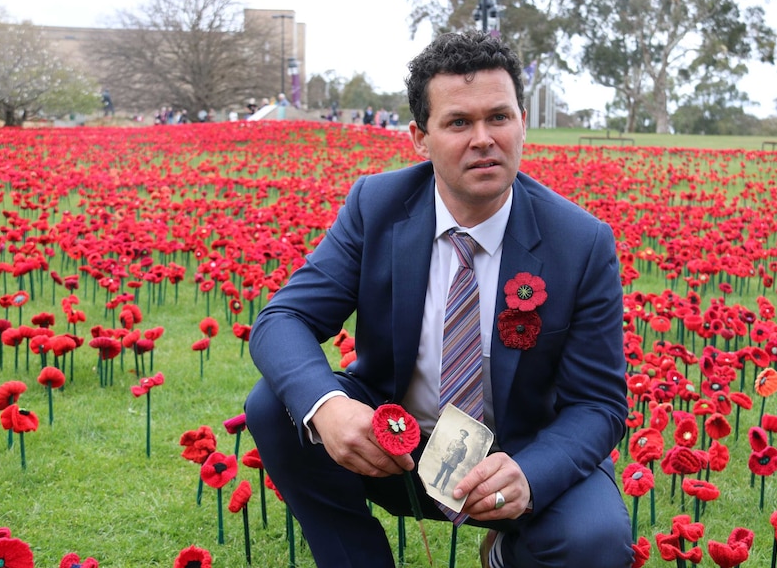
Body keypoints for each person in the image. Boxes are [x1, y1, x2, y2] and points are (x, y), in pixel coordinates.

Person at [246, 31, 633, 568]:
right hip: (393, 444)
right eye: (458, 122)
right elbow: (282, 319)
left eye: (499, 117)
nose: (483, 139)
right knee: (277, 404)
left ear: (523, 120)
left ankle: (508, 550)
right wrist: (330, 409)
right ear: (418, 137)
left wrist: (530, 474)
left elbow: (600, 404)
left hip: (515, 456)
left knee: (595, 540)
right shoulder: (377, 206)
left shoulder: (580, 242)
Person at [430, 429, 469, 494]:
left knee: (447, 476)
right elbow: (447, 448)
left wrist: (456, 460)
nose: (462, 436)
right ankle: (434, 483)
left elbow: (462, 458)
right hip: (446, 459)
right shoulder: (453, 441)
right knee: (440, 472)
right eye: (462, 435)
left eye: (464, 436)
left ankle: (442, 489)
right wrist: (448, 454)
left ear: (465, 437)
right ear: (460, 434)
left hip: (453, 463)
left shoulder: (464, 447)